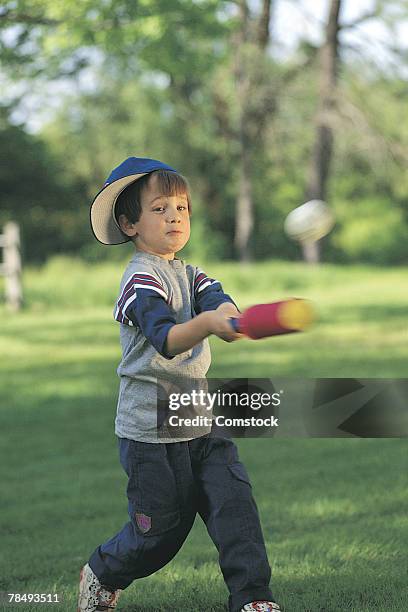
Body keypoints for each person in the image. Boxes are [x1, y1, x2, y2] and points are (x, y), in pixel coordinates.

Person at [78, 157, 281, 612]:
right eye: (159, 208)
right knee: (161, 534)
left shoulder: (190, 273)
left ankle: (253, 599)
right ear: (129, 223)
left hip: (199, 415)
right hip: (150, 430)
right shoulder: (139, 281)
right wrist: (209, 323)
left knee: (235, 507)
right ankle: (103, 570)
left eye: (182, 208)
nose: (174, 216)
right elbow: (167, 339)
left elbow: (217, 297)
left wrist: (229, 316)